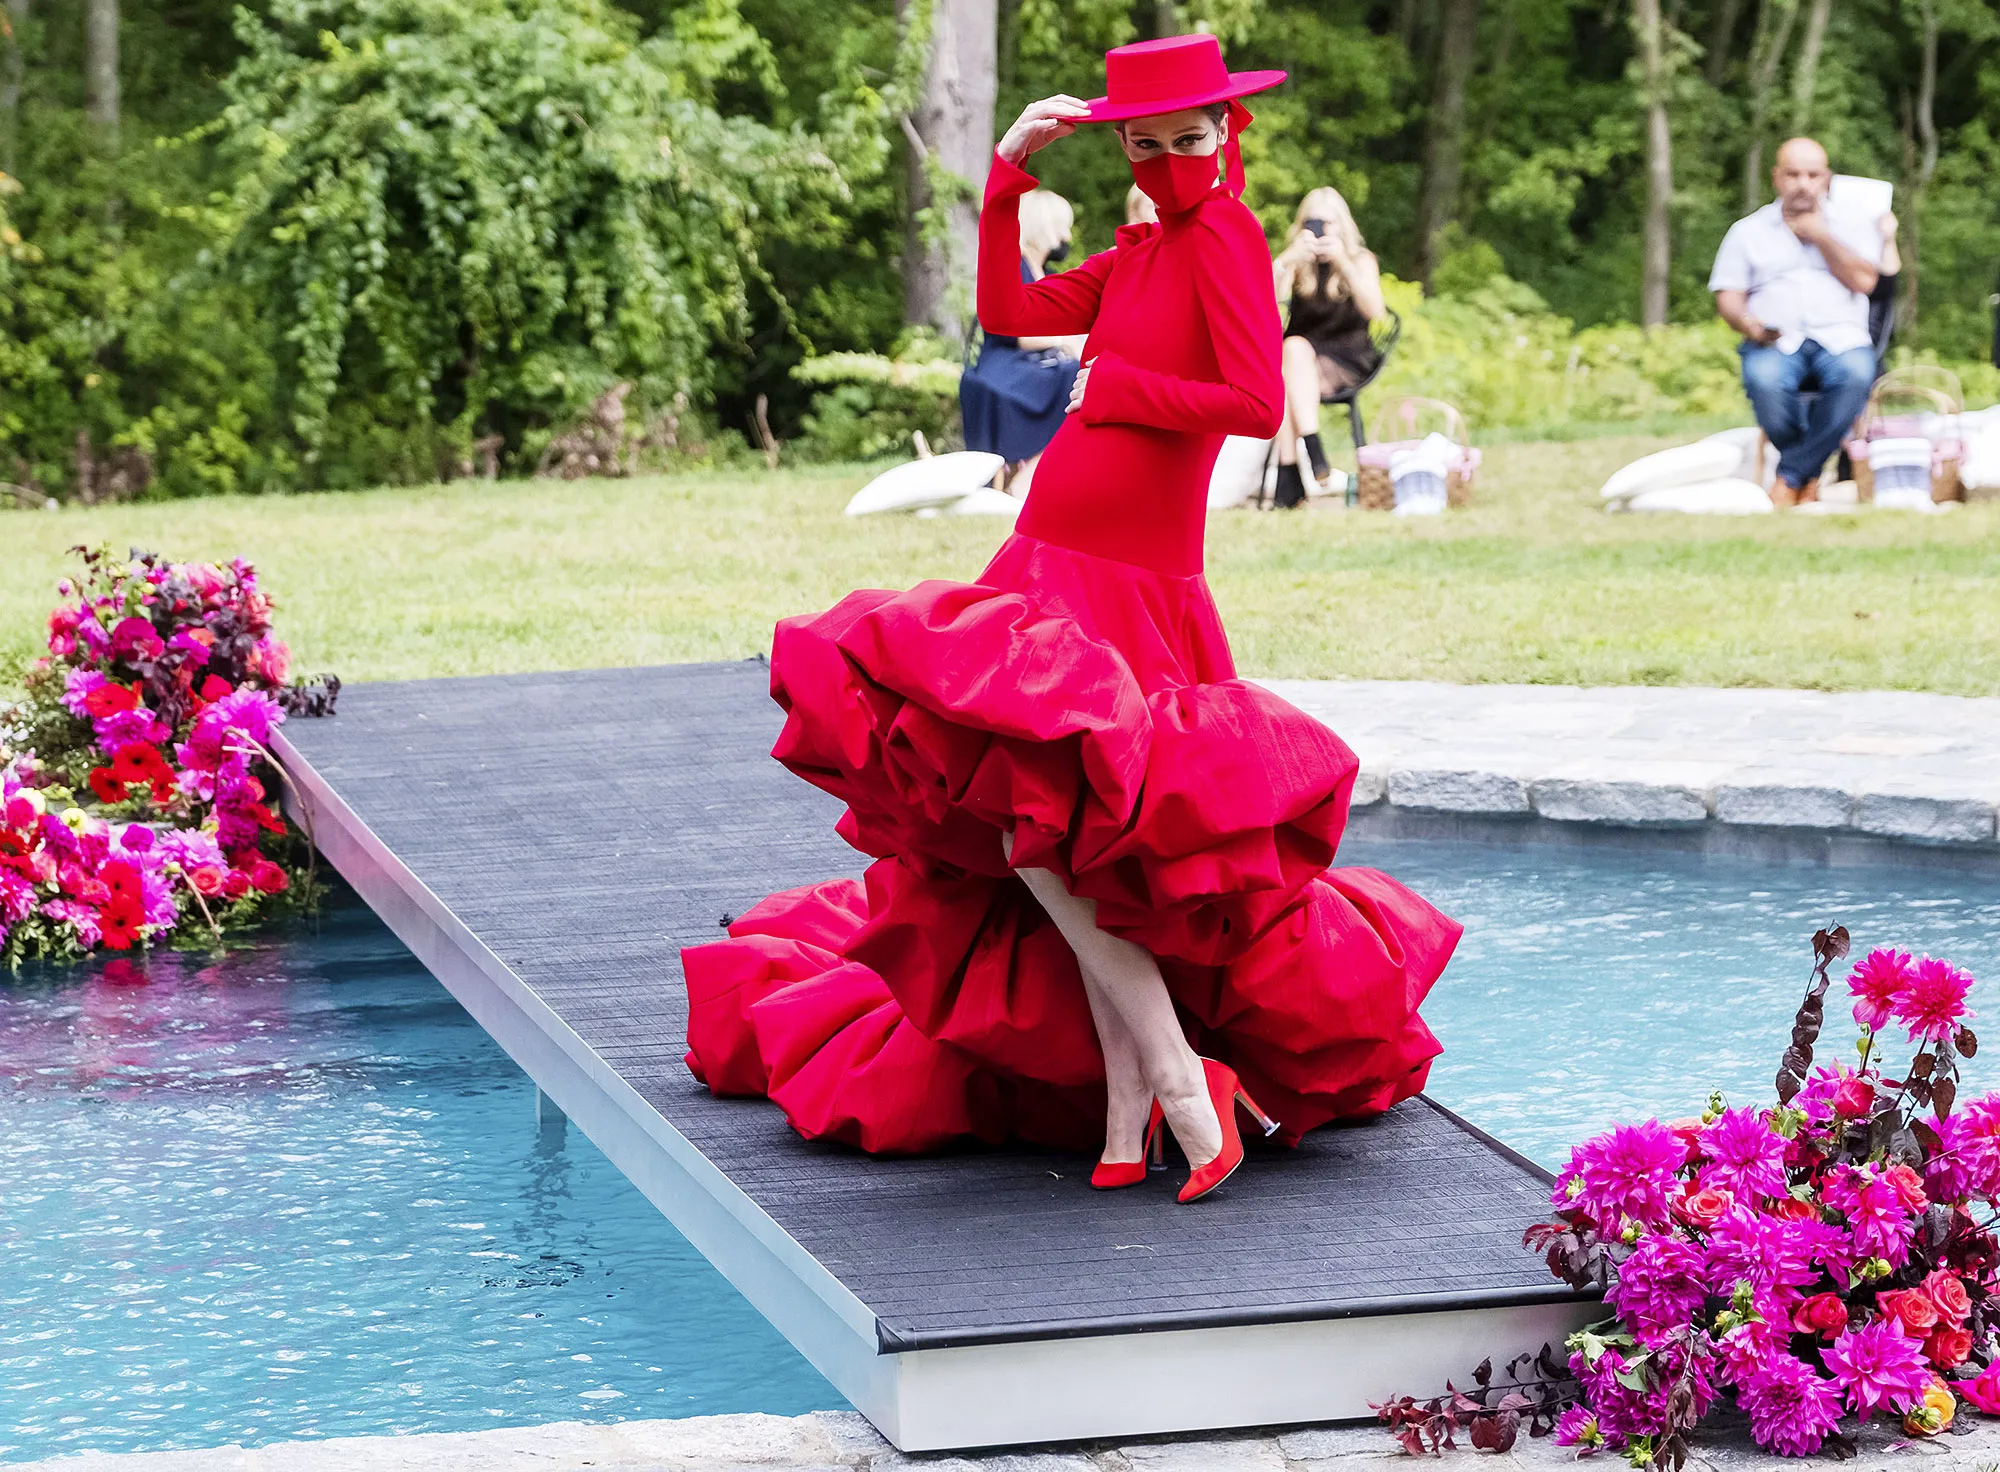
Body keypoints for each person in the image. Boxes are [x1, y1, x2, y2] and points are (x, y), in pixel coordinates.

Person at [680, 34, 1456, 1204]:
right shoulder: (1140, 245)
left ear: (1225, 135)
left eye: (1187, 140)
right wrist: (1005, 173)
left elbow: (1249, 399)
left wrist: (1118, 388)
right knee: (1030, 832)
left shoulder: (1227, 237)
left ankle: (1178, 1090)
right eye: (1143, 145)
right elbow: (1006, 307)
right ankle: (1136, 1094)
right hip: (1048, 555)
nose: (1166, 161)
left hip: (1135, 583)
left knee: (1066, 843)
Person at [1709, 137, 1883, 505]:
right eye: (1793, 174)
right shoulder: (1747, 230)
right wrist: (1749, 324)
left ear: (1827, 179)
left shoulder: (1852, 224)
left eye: (1812, 174)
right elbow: (1727, 295)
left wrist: (1821, 236)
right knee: (1764, 381)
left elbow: (1866, 282)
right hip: (1775, 340)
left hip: (1841, 339)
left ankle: (1789, 478)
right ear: (1777, 178)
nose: (1803, 183)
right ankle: (1807, 474)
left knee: (1855, 376)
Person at [958, 188, 1085, 493]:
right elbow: (1020, 334)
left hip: (1035, 364)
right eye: (1061, 226)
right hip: (1005, 365)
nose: (1067, 235)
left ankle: (1043, 469)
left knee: (1080, 375)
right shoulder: (1014, 267)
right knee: (1072, 376)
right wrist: (1069, 341)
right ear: (1044, 227)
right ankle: (1027, 477)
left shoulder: (1049, 273)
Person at [1271, 187, 1386, 508]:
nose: (1321, 231)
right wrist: (1286, 261)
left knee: (1287, 367)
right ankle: (1310, 456)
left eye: (1328, 223)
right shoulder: (1297, 263)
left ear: (1343, 225)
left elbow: (1376, 311)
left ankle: (1290, 475)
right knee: (1292, 352)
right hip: (1300, 363)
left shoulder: (1360, 260)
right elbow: (1265, 305)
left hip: (1346, 359)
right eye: (1313, 223)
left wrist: (1343, 263)